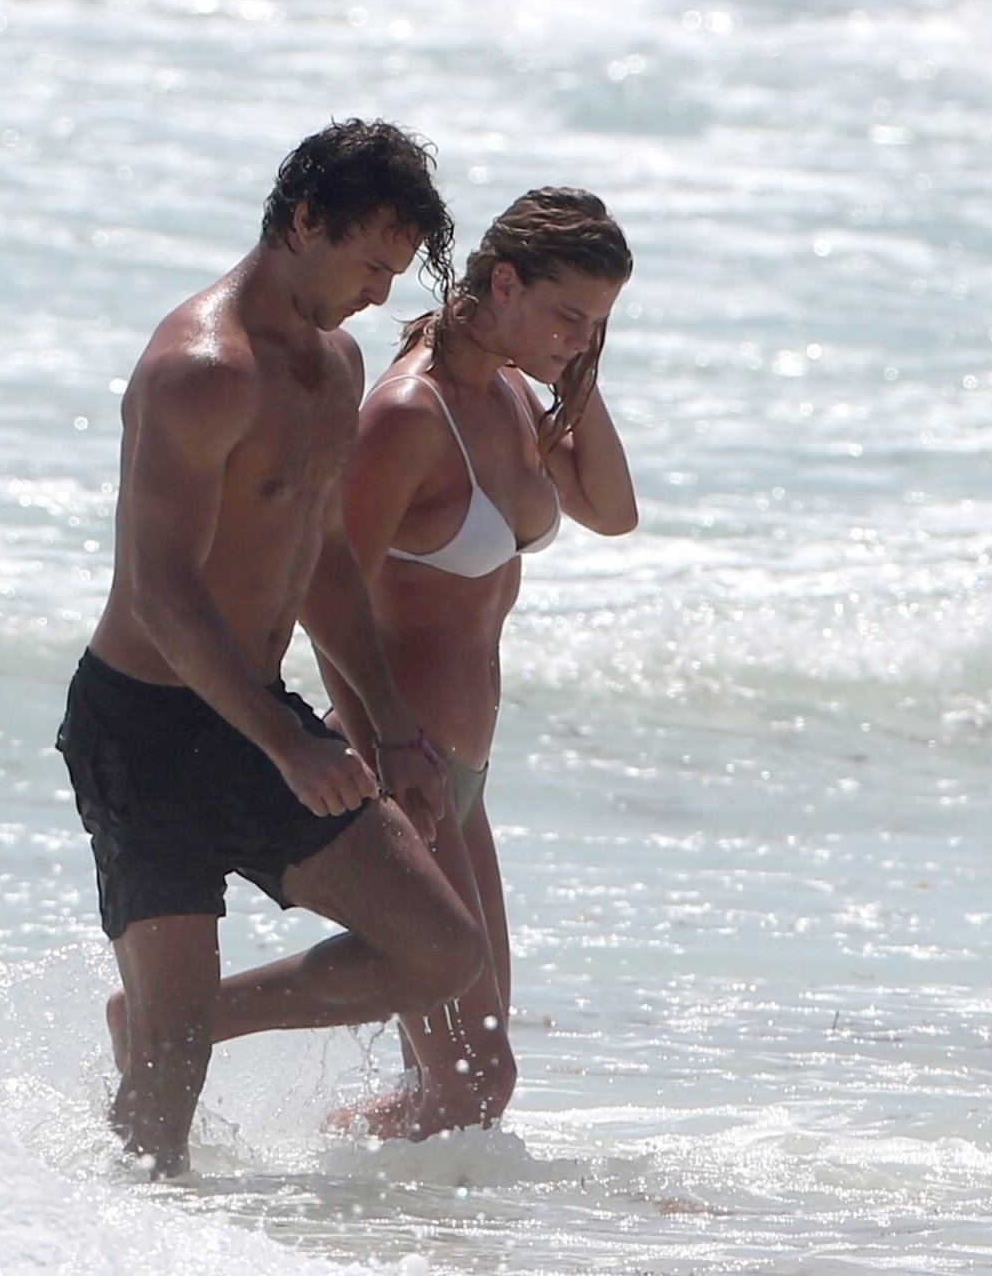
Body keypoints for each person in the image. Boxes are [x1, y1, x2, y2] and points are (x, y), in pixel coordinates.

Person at [55, 119, 484, 1179]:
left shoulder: (335, 365)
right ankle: (131, 1223)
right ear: (303, 222)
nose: (379, 295)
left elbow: (323, 556)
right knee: (166, 1097)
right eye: (369, 264)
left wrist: (390, 729)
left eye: (395, 272)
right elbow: (160, 590)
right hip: (146, 729)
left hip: (251, 712)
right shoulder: (200, 369)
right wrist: (287, 745)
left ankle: (173, 1015)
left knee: (438, 949)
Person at [307, 188, 637, 1139]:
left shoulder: (511, 393)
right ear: (503, 284)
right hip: (402, 766)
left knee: (452, 1087)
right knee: (474, 1080)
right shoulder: (408, 414)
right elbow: (323, 591)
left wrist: (574, 374)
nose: (581, 337)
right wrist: (387, 749)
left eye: (599, 323)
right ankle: (185, 1026)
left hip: (459, 779)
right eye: (568, 314)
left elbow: (613, 512)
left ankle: (324, 1181)